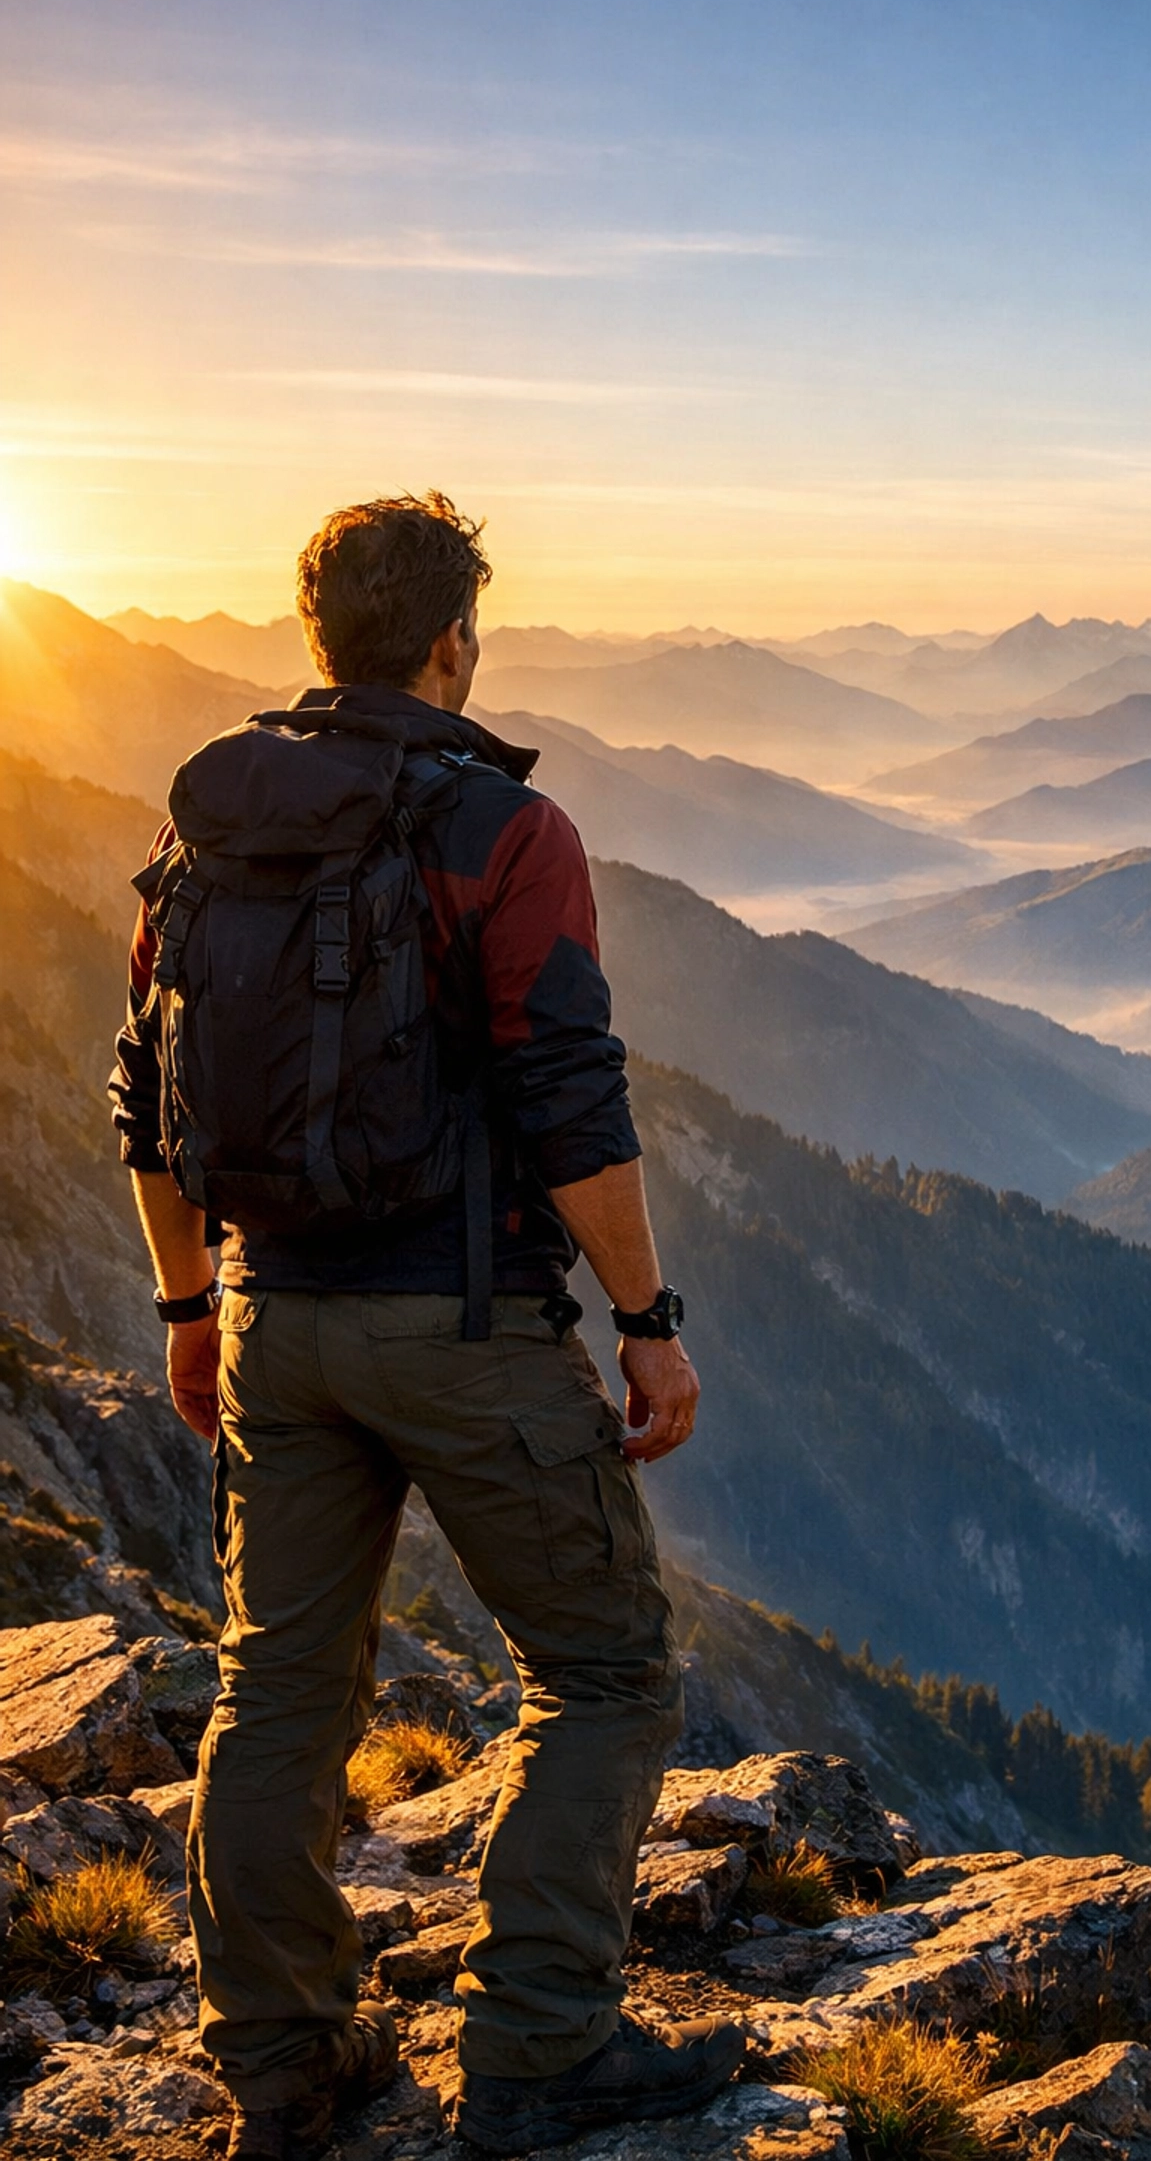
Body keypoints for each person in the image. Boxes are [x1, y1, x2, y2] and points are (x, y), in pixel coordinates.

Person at [109, 492, 746, 2161]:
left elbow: (146, 1109)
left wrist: (191, 1308)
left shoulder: (204, 833)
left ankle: (279, 2065)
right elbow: (567, 1093)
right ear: (456, 639)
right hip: (458, 1326)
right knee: (603, 1667)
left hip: (268, 1321)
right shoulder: (498, 831)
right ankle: (539, 2044)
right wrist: (646, 1321)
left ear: (318, 635)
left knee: (278, 1690)